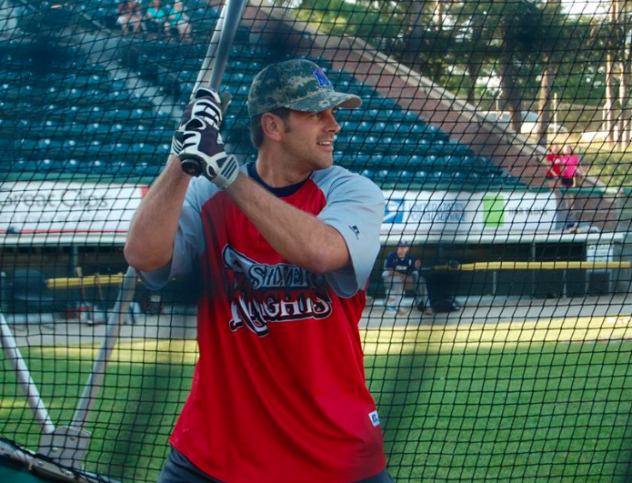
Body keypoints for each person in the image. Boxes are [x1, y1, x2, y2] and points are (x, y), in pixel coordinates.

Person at [124, 59, 392, 483]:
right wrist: (183, 158)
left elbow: (319, 251)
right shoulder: (206, 194)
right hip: (214, 453)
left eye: (333, 112)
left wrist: (226, 174)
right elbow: (142, 254)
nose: (334, 125)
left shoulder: (352, 191)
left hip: (333, 452)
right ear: (273, 126)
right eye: (317, 113)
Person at [381, 241, 416, 315]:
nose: (403, 249)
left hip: (404, 281)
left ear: (407, 248)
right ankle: (399, 306)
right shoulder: (392, 255)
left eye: (404, 247)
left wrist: (410, 278)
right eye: (401, 247)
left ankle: (426, 306)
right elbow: (390, 271)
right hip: (389, 280)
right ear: (398, 247)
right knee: (397, 280)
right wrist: (405, 277)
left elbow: (412, 271)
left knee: (420, 281)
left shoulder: (410, 257)